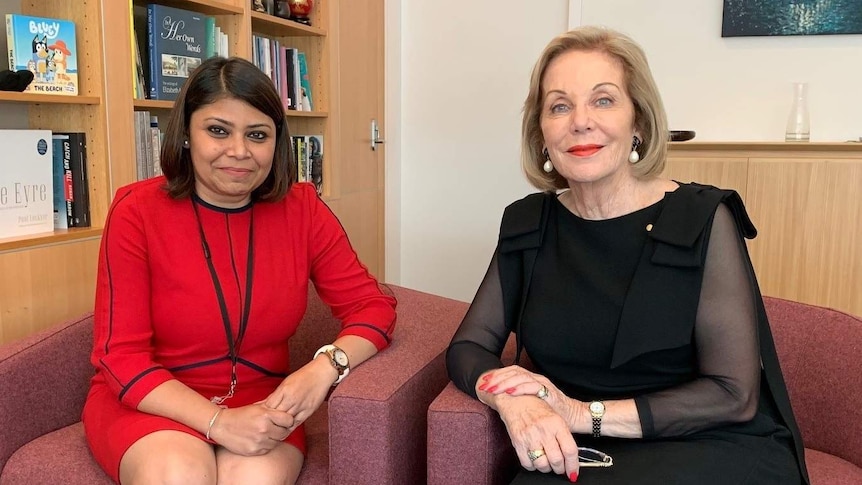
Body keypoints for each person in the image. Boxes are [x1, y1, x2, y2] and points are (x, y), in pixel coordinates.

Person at [446, 26, 808, 485]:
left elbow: (732, 395)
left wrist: (580, 413)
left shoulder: (701, 217)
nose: (580, 121)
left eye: (603, 100)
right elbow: (468, 346)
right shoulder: (527, 225)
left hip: (710, 445)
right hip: (584, 450)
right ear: (541, 134)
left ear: (638, 121)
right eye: (559, 106)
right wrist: (511, 398)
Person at [83, 56, 396, 485]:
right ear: (187, 135)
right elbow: (119, 356)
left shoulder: (302, 208)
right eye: (217, 130)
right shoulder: (136, 210)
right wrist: (218, 422)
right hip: (154, 401)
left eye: (257, 135)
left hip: (263, 402)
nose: (239, 151)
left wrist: (326, 366)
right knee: (179, 475)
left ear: (276, 142)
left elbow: (373, 306)